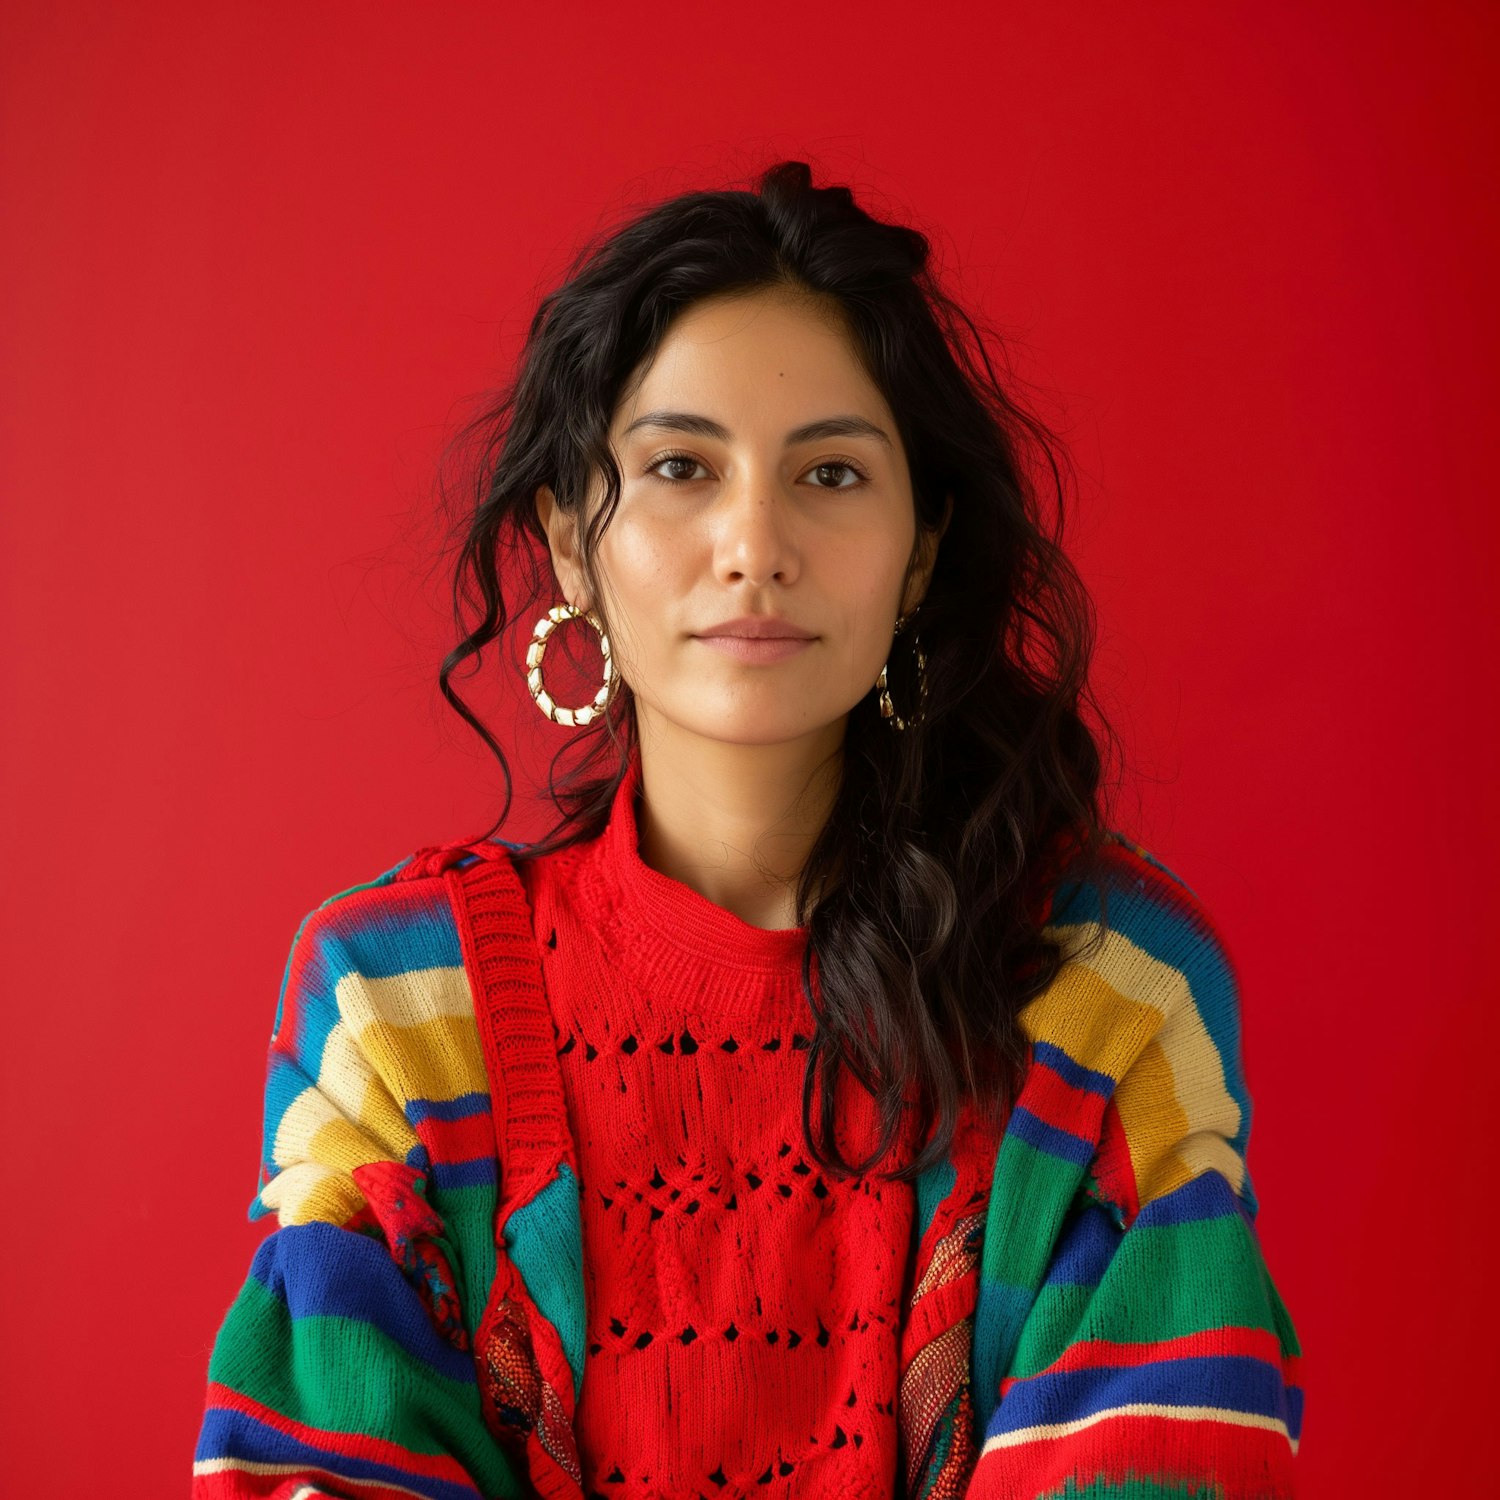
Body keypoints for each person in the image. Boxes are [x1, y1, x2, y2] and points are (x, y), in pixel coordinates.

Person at [192, 161, 1303, 1499]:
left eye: (831, 472)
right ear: (570, 544)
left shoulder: (1113, 988)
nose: (755, 544)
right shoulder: (395, 1004)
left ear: (922, 550)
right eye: (680, 467)